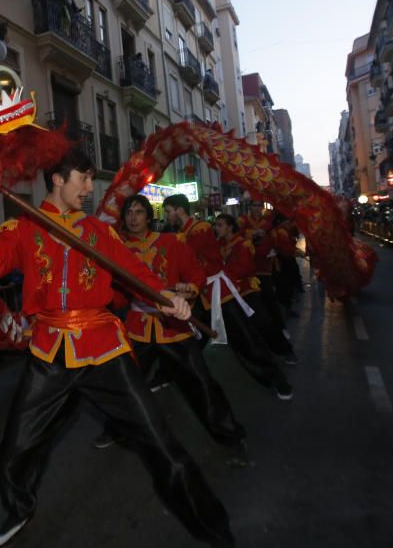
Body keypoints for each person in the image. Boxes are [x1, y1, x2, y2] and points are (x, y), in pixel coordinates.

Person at [0, 149, 238, 548]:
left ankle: (215, 530)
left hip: (103, 348)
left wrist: (165, 295)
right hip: (49, 352)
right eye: (83, 178)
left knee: (161, 444)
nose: (89, 188)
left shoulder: (97, 231)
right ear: (57, 179)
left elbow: (136, 272)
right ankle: (19, 508)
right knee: (16, 448)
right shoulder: (24, 227)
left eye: (92, 179)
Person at [93, 194, 248, 466]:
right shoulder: (118, 250)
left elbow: (195, 274)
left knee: (201, 384)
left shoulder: (171, 243)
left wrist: (191, 289)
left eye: (139, 212)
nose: (133, 217)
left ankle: (229, 433)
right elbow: (117, 296)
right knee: (123, 383)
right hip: (138, 329)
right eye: (129, 212)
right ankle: (116, 430)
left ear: (149, 217)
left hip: (173, 328)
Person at [163, 195, 293, 400]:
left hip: (218, 293)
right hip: (199, 296)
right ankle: (172, 374)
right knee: (185, 339)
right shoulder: (182, 233)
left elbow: (188, 255)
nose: (166, 216)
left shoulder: (200, 228)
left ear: (179, 210)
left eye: (168, 211)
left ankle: (277, 380)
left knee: (245, 340)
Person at [237, 201, 299, 363]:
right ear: (249, 207)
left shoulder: (267, 224)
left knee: (269, 303)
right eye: (254, 205)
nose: (257, 208)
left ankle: (280, 334)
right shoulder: (242, 222)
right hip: (243, 276)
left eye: (259, 205)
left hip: (263, 271)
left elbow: (271, 245)